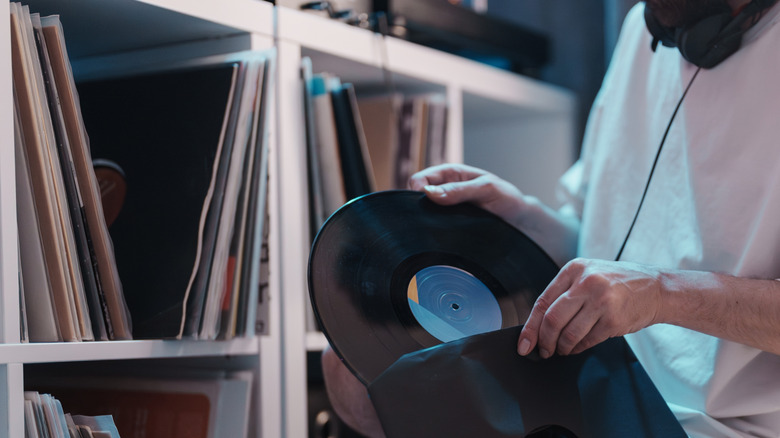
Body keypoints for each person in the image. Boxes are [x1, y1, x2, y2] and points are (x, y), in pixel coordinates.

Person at [321, 0, 780, 436]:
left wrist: (663, 293)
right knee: (351, 371)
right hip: (592, 380)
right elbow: (600, 235)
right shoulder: (653, 24)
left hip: (713, 425)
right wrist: (522, 219)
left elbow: (644, 284)